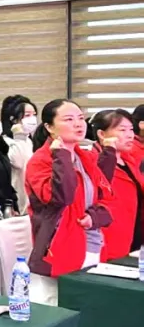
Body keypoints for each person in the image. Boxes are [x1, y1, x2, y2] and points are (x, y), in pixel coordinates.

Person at [25, 100, 113, 288]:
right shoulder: (40, 161)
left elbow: (106, 196)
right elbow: (61, 197)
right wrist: (61, 156)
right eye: (69, 119)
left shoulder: (86, 157)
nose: (78, 124)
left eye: (80, 118)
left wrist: (94, 217)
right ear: (49, 127)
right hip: (60, 250)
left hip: (91, 244)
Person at [90, 109, 143, 260]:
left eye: (131, 129)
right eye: (122, 130)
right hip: (108, 234)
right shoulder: (93, 161)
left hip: (132, 229)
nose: (129, 135)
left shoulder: (129, 159)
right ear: (102, 134)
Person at [4, 96, 39, 212]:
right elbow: (18, 163)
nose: (32, 119)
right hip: (18, 201)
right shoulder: (6, 141)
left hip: (32, 199)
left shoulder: (29, 141)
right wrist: (18, 136)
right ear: (14, 119)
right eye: (27, 115)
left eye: (34, 114)